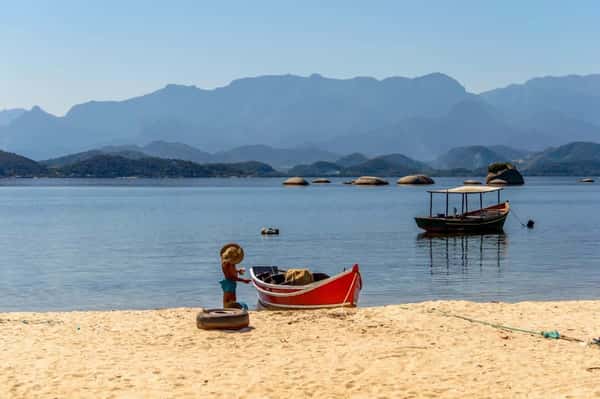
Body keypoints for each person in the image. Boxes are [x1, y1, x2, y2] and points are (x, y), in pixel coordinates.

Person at [219, 243, 250, 309]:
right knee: (229, 301)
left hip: (230, 282)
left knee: (232, 299)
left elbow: (232, 271)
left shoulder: (231, 263)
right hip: (229, 283)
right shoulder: (226, 264)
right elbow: (230, 277)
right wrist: (243, 280)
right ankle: (227, 313)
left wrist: (238, 271)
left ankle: (229, 311)